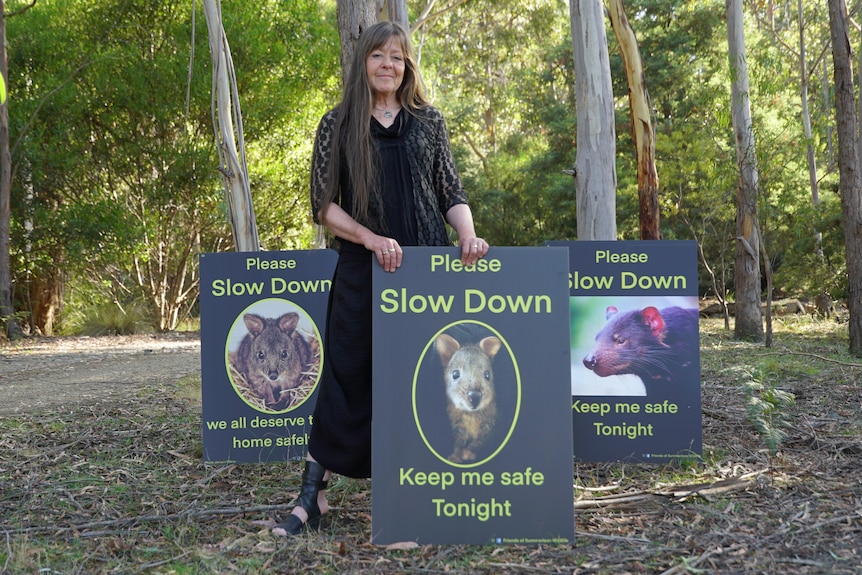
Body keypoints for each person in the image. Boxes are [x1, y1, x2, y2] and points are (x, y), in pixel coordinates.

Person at [272, 21, 488, 536]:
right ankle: (312, 496)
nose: (388, 64)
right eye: (378, 56)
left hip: (424, 274)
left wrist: (469, 236)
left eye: (397, 56)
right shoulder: (337, 123)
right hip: (361, 270)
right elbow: (322, 207)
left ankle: (428, 490)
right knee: (347, 375)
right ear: (362, 62)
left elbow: (450, 191)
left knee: (424, 377)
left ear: (407, 64)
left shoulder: (428, 122)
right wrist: (370, 240)